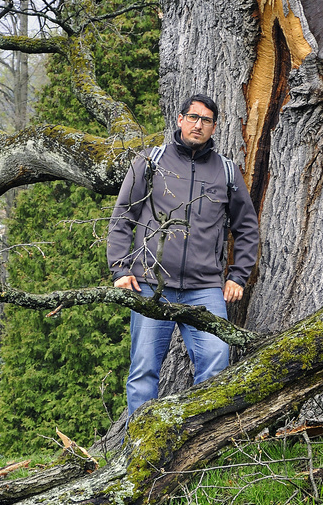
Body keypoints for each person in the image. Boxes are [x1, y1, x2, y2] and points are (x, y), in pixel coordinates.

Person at [107, 95, 259, 417]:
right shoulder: (151, 162)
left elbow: (247, 228)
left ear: (214, 127)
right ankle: (138, 452)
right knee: (144, 370)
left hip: (204, 288)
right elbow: (123, 216)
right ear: (179, 119)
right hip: (150, 284)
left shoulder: (227, 172)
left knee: (216, 364)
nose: (198, 124)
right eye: (193, 117)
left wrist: (237, 276)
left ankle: (199, 443)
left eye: (205, 120)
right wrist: (121, 269)